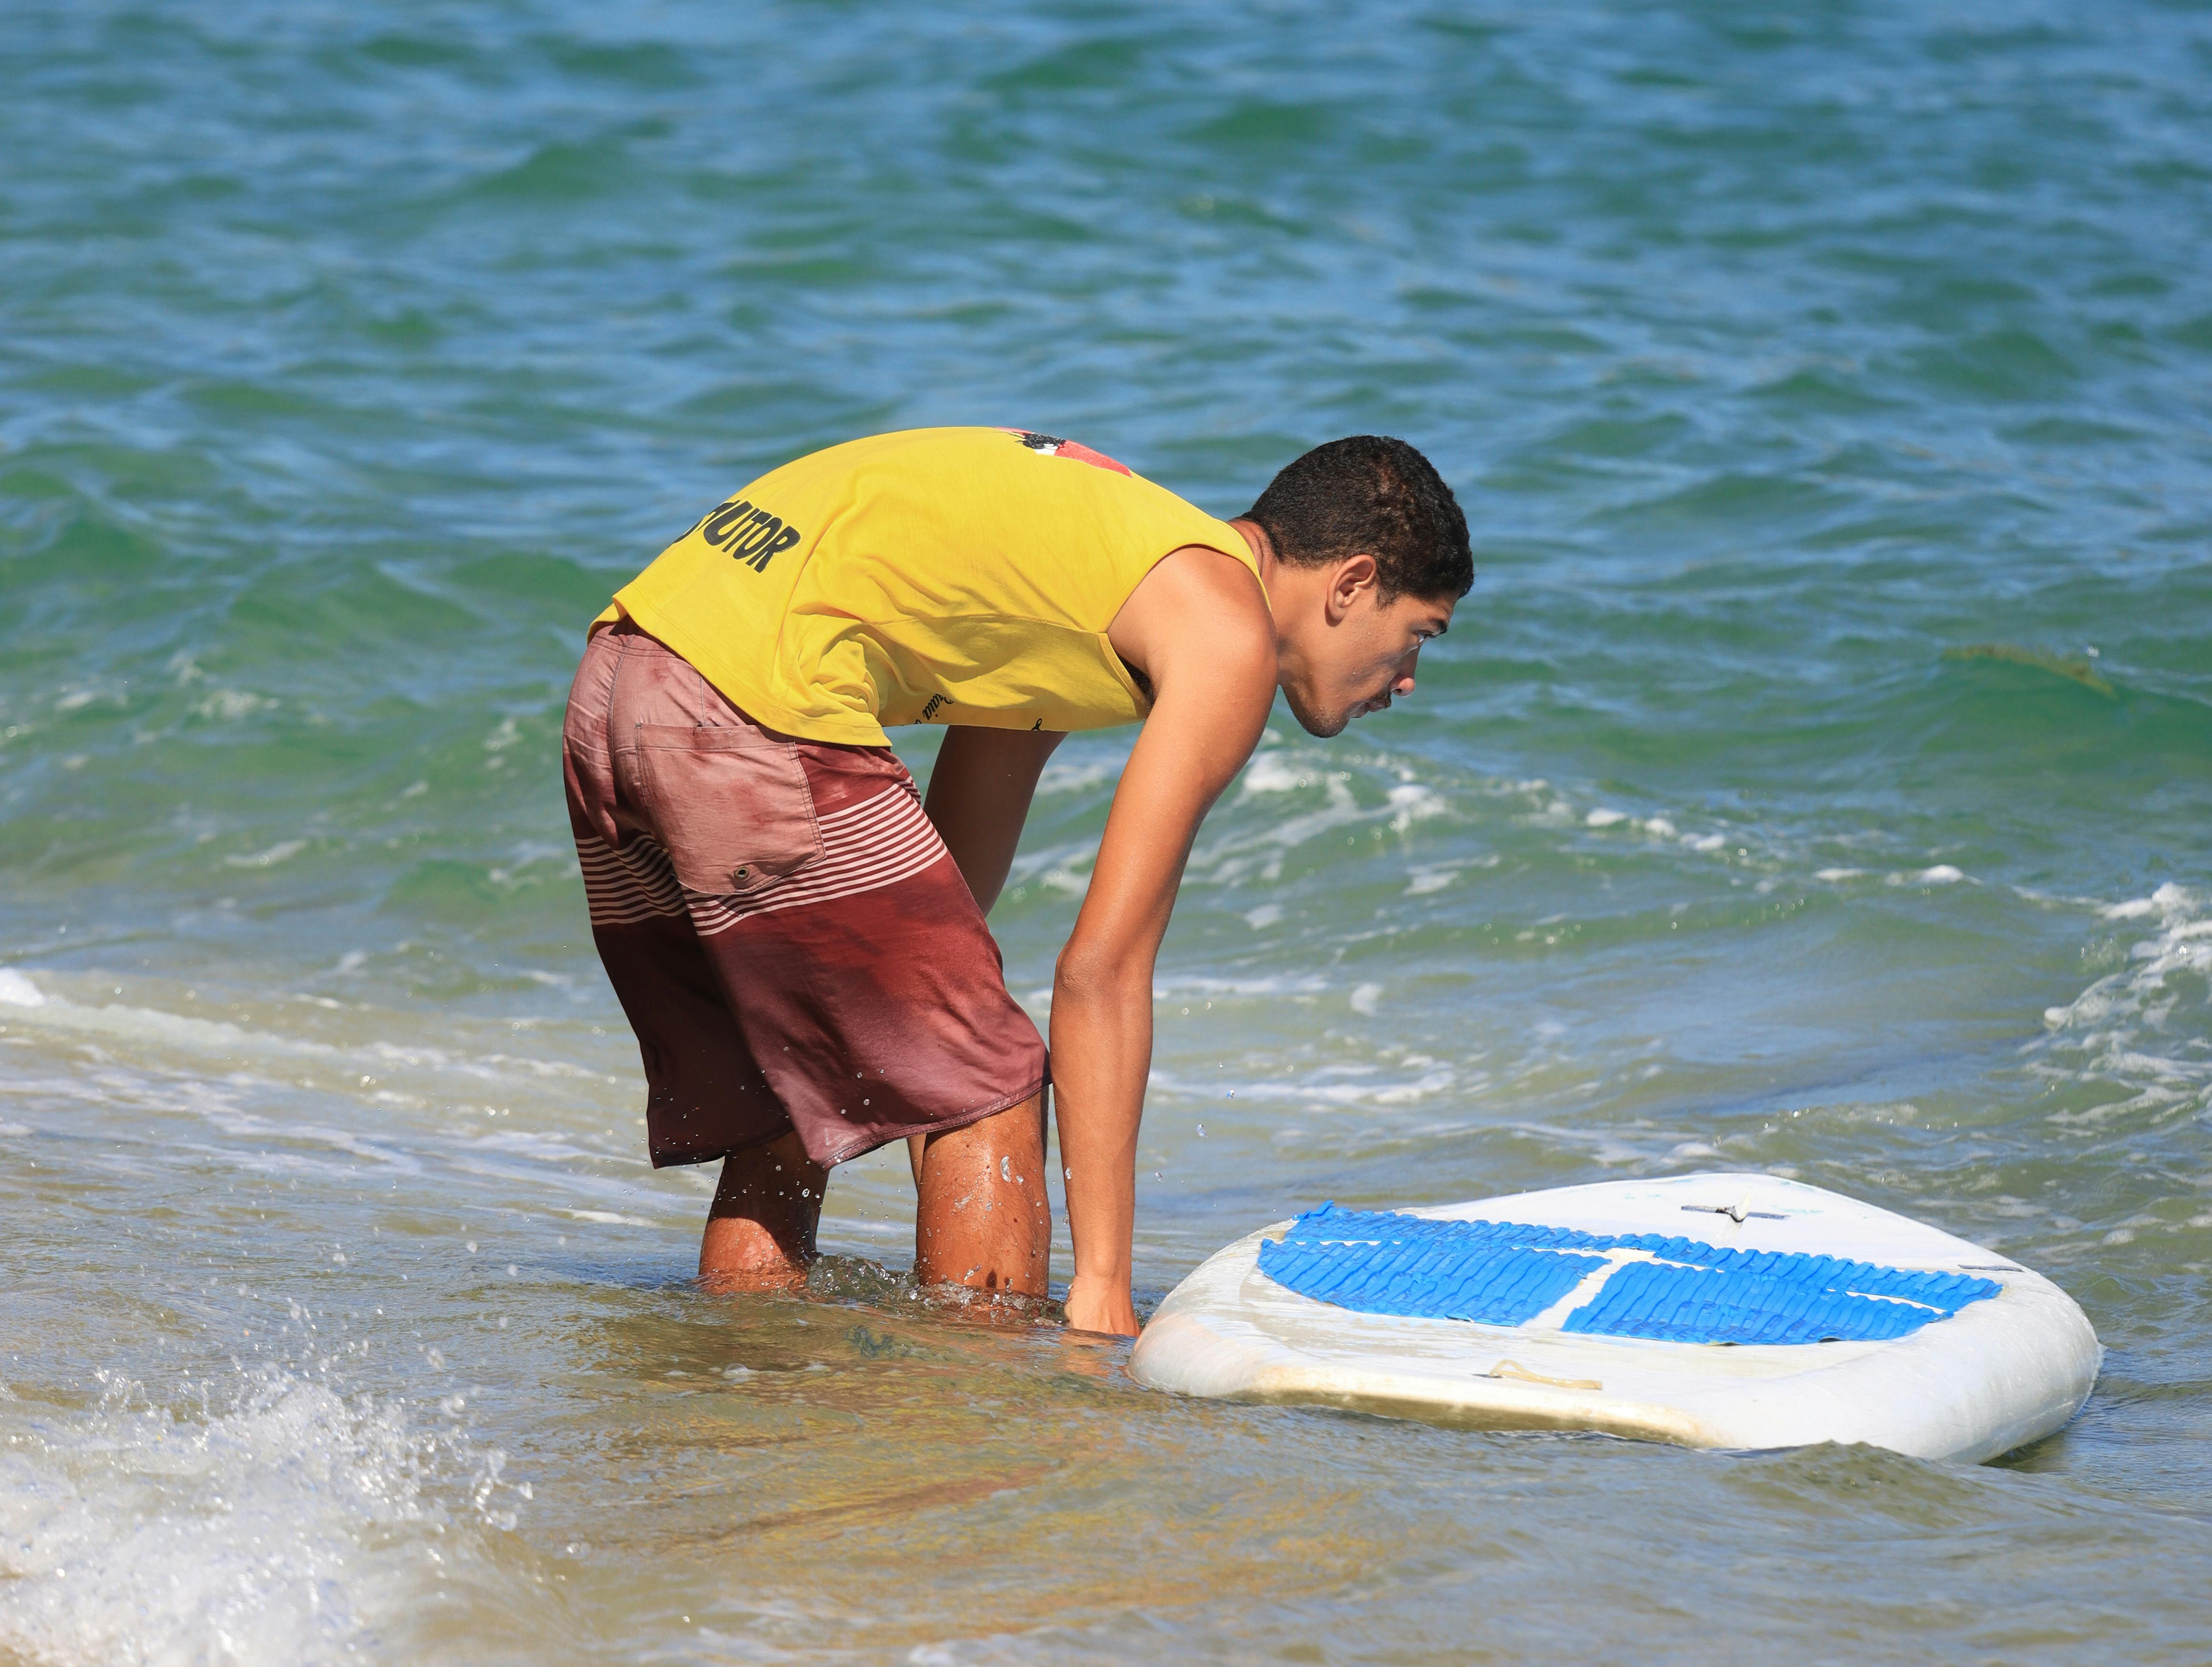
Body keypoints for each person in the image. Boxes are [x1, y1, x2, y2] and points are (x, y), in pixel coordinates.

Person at [562, 427, 1470, 1336]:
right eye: (1417, 636)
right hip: (745, 699)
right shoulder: (1226, 628)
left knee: (797, 1097)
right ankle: (985, 1438)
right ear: (1350, 584)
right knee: (989, 1080)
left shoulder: (1095, 569)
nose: (1408, 681)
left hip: (621, 678)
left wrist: (931, 1081)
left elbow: (949, 901)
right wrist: (1104, 1293)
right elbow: (1100, 976)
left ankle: (734, 1400)